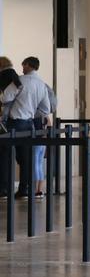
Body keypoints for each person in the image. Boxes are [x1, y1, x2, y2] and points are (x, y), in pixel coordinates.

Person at [1, 57, 50, 199]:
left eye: (23, 65)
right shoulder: (42, 84)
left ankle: (4, 189)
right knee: (25, 158)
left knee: (6, 155)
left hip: (15, 123)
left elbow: (6, 98)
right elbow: (45, 108)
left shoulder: (20, 80)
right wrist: (32, 112)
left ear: (28, 65)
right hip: (29, 124)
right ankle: (24, 190)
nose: (22, 67)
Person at [22, 57, 56, 199]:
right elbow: (48, 118)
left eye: (23, 65)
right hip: (43, 134)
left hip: (35, 132)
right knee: (40, 162)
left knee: (34, 160)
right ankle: (39, 189)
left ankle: (35, 189)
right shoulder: (43, 86)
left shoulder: (33, 112)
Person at [0, 67, 22, 199]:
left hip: (6, 128)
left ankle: (4, 188)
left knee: (4, 158)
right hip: (14, 127)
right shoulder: (18, 86)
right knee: (8, 158)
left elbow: (5, 109)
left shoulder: (8, 92)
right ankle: (6, 188)